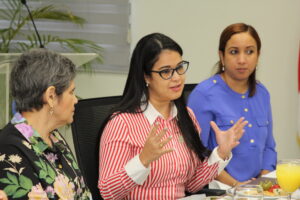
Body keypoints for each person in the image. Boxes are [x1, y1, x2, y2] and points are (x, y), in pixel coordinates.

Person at [98, 33, 248, 199]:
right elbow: (107, 192)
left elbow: (191, 185)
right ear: (146, 76)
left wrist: (221, 153)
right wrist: (142, 160)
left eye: (179, 68)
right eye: (166, 71)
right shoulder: (121, 123)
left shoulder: (186, 116)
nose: (177, 77)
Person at [188, 23, 277, 187]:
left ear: (258, 55)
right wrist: (238, 186)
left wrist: (262, 183)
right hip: (220, 189)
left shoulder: (262, 93)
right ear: (222, 56)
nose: (242, 60)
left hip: (259, 188)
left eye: (250, 52)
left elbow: (269, 147)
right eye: (234, 52)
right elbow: (197, 156)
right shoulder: (203, 95)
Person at [0, 49, 91, 199]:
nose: (76, 100)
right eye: (71, 92)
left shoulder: (54, 137)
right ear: (50, 96)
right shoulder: (9, 150)